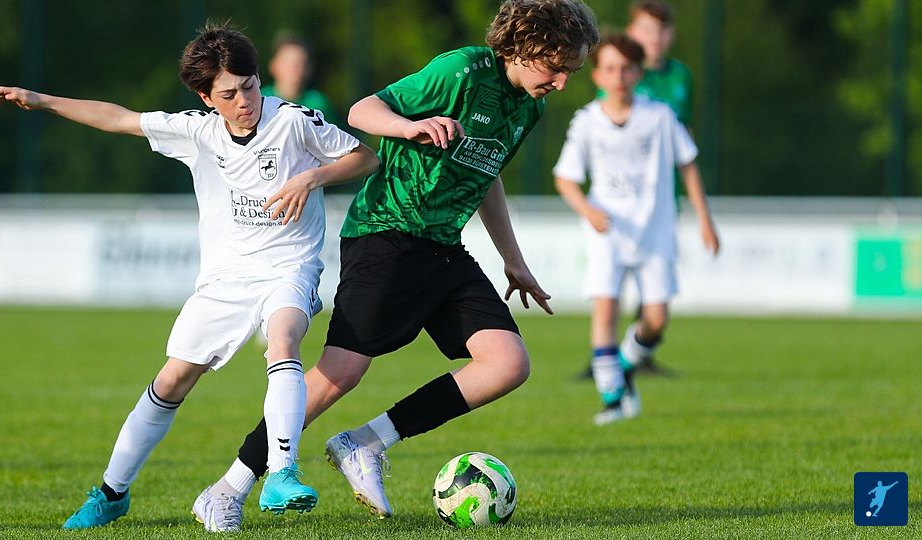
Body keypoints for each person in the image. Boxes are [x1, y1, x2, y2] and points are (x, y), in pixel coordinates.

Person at [191, 0, 600, 530]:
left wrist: (513, 259)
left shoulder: (529, 107)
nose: (563, 82)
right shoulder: (461, 70)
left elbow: (487, 173)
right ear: (525, 47)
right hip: (385, 233)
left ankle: (365, 443)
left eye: (572, 72)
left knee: (507, 363)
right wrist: (410, 127)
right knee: (339, 375)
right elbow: (363, 111)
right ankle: (227, 488)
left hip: (442, 246)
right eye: (557, 67)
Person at [0, 22, 379, 530]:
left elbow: (364, 157)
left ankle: (282, 473)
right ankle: (111, 493)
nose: (244, 101)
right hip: (225, 280)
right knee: (172, 379)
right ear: (205, 97)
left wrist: (313, 175)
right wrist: (39, 100)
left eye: (250, 86)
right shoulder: (197, 132)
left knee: (284, 339)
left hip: (289, 266)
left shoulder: (294, 120)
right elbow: (119, 118)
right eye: (228, 94)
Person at [553, 33, 719, 426]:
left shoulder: (660, 117)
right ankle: (611, 399)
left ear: (638, 74)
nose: (619, 77)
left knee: (657, 320)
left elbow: (688, 165)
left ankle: (625, 365)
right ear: (597, 75)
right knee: (606, 309)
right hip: (607, 232)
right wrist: (588, 210)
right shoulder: (587, 121)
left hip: (655, 231)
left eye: (626, 69)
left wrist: (705, 219)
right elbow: (565, 178)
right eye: (610, 69)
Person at [578, 0, 695, 380]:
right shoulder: (615, 82)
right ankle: (607, 370)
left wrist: (699, 207)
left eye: (660, 30)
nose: (653, 38)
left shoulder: (679, 78)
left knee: (655, 302)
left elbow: (686, 140)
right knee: (607, 296)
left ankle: (633, 358)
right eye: (645, 29)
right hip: (614, 209)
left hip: (659, 201)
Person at [262, 34, 337, 124]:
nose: (293, 67)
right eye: (287, 61)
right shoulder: (261, 100)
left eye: (300, 62)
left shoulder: (320, 104)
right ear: (273, 66)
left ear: (309, 68)